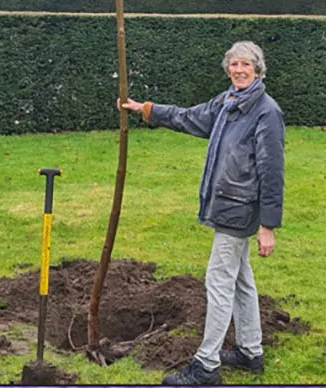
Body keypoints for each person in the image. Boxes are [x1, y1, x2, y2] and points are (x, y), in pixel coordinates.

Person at [119, 40, 284, 386]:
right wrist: (147, 109)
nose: (239, 70)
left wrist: (268, 225)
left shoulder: (266, 112)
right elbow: (189, 117)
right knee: (241, 279)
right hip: (226, 204)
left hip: (239, 211)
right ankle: (250, 352)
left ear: (258, 70)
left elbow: (272, 172)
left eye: (246, 66)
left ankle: (207, 366)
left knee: (219, 281)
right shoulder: (227, 103)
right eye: (234, 65)